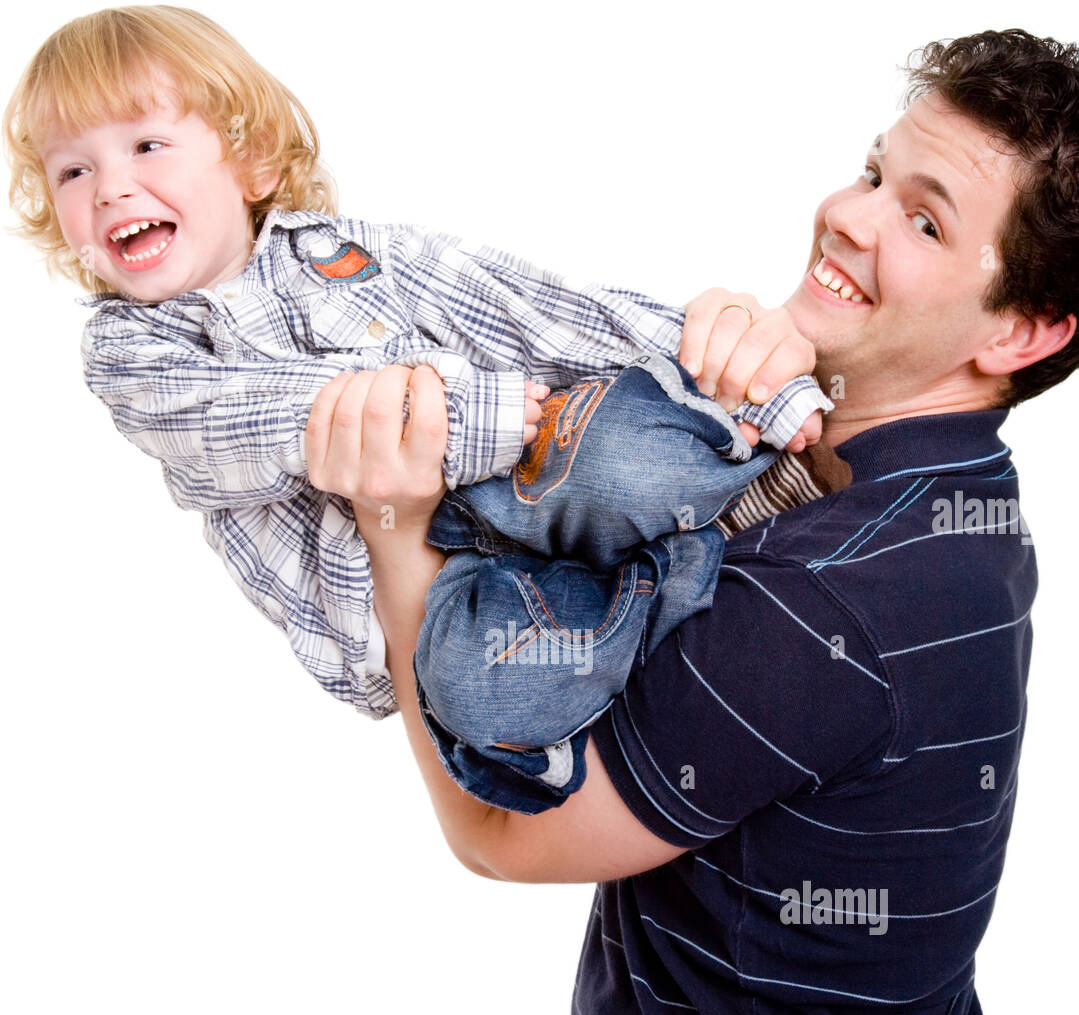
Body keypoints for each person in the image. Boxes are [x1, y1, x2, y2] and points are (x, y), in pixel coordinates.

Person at [302, 28, 1077, 1015]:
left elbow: (507, 831)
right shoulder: (933, 482)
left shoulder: (835, 599)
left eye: (923, 223)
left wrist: (394, 531)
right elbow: (663, 510)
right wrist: (720, 363)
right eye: (873, 171)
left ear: (1025, 330)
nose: (848, 214)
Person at [3, 6, 830, 803]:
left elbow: (542, 309)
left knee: (622, 449)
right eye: (73, 170)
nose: (110, 188)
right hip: (436, 589)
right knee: (488, 691)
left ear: (249, 163)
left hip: (532, 481)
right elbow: (280, 414)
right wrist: (497, 416)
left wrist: (760, 368)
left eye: (147, 145)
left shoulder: (355, 257)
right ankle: (674, 579)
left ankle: (753, 485)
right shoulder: (128, 352)